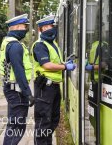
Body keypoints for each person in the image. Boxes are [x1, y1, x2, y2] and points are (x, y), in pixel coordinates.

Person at [31, 15, 76, 145]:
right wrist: (65, 66)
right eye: (52, 26)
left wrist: (65, 63)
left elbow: (55, 62)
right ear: (44, 28)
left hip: (54, 87)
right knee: (43, 122)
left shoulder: (53, 44)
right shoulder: (40, 45)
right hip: (45, 88)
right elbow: (47, 65)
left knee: (53, 120)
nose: (54, 29)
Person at [0, 14, 35, 145]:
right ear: (18, 27)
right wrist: (28, 93)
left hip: (11, 88)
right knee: (17, 126)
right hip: (17, 91)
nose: (26, 30)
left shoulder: (6, 42)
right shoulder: (15, 45)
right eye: (25, 27)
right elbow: (19, 72)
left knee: (14, 125)